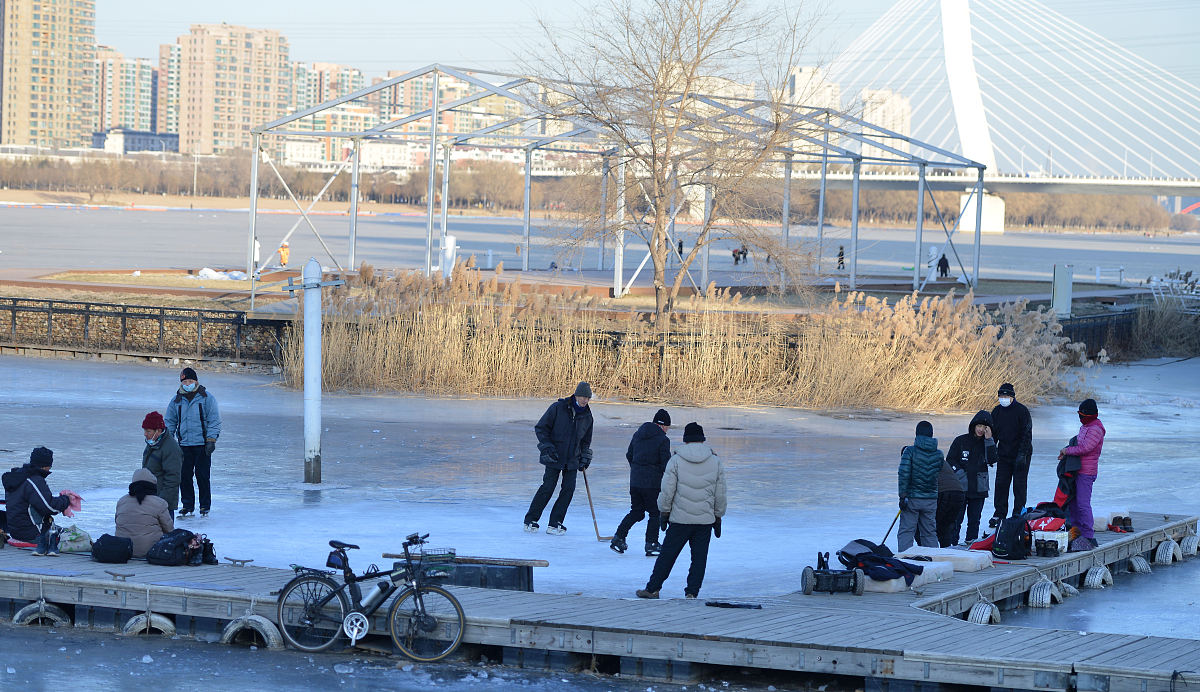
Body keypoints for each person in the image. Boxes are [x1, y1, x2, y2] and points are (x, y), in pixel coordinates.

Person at [636, 423, 726, 599]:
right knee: (699, 559)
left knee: (667, 556)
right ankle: (692, 592)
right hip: (704, 520)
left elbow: (667, 490)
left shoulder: (676, 460)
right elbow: (720, 493)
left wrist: (664, 512)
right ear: (702, 439)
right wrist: (718, 515)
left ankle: (653, 589)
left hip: (680, 519)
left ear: (686, 440)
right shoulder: (715, 461)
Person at [523, 382, 594, 535]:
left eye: (587, 398)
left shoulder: (587, 416)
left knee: (568, 490)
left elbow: (586, 441)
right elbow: (541, 428)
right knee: (548, 487)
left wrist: (585, 456)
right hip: (554, 456)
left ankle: (555, 522)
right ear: (576, 395)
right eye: (582, 397)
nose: (584, 401)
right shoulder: (558, 408)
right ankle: (531, 519)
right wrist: (547, 447)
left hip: (573, 459)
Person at [610, 408, 672, 556]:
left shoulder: (638, 435)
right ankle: (651, 543)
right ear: (663, 425)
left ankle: (618, 537)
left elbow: (629, 454)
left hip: (635, 482)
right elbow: (666, 464)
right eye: (668, 427)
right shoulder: (663, 439)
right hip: (652, 483)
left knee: (637, 512)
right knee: (654, 513)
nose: (667, 430)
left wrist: (637, 469)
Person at [165, 366, 222, 518]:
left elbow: (214, 420)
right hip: (183, 445)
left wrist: (211, 440)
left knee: (202, 476)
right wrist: (168, 441)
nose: (187, 384)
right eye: (185, 381)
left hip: (202, 444)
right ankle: (187, 505)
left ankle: (204, 506)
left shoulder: (206, 398)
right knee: (184, 476)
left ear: (196, 381)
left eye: (190, 380)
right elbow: (170, 422)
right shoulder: (176, 400)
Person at [2, 447, 72, 555]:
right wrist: (66, 499)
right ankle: (49, 545)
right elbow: (49, 507)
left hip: (15, 531)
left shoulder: (18, 477)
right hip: (32, 533)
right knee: (77, 536)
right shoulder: (33, 480)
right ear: (46, 465)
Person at [1059, 398, 1105, 550]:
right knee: (1073, 502)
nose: (1080, 418)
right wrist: (1066, 452)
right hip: (1077, 470)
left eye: (1082, 414)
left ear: (1090, 415)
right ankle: (1076, 532)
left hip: (1087, 472)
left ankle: (1088, 536)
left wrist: (1067, 451)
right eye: (1078, 414)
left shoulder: (1095, 429)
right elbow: (1077, 443)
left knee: (1083, 504)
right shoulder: (1085, 427)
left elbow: (1085, 448)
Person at [946, 411, 997, 544]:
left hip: (979, 488)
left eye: (984, 427)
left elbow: (992, 460)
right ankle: (952, 545)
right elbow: (950, 460)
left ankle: (971, 543)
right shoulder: (961, 440)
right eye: (979, 426)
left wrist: (989, 440)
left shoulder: (988, 443)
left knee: (974, 520)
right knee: (956, 519)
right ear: (974, 425)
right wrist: (960, 473)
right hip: (960, 487)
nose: (981, 429)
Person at [989, 382, 1033, 527]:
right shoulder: (996, 412)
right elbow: (993, 434)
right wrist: (991, 452)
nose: (1003, 398)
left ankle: (1018, 511)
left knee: (1019, 484)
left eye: (1006, 396)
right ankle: (999, 513)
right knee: (1001, 483)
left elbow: (1026, 434)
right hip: (1004, 453)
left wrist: (1022, 455)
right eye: (1001, 396)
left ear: (1012, 397)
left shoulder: (1022, 411)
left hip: (1022, 452)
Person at [897, 421, 943, 552]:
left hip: (912, 499)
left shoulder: (909, 452)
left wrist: (902, 496)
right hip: (931, 499)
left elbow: (903, 473)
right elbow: (937, 472)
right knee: (929, 532)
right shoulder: (939, 454)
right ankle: (935, 560)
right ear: (931, 434)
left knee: (907, 531)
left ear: (916, 434)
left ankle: (906, 560)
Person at [115, 468, 174, 558]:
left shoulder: (122, 501)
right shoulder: (160, 503)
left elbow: (117, 522)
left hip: (124, 549)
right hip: (151, 550)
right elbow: (169, 529)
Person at [141, 411, 182, 517]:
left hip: (162, 504)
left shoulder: (171, 448)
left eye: (148, 431)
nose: (145, 434)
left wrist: (160, 502)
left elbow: (173, 479)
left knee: (164, 532)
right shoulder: (152, 443)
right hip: (150, 498)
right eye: (144, 430)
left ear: (158, 431)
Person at [936, 455, 966, 548]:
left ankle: (929, 552)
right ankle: (946, 551)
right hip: (959, 492)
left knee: (931, 526)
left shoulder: (922, 459)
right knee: (946, 527)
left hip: (944, 493)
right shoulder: (938, 458)